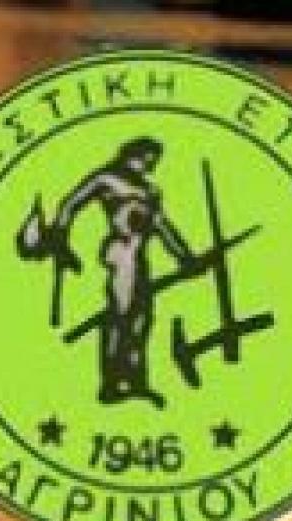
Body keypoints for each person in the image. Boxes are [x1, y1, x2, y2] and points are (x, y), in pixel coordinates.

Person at [47, 137, 193, 409]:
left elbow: (162, 227)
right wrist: (60, 238)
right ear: (132, 154)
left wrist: (185, 256)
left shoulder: (151, 190)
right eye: (147, 158)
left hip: (140, 257)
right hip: (121, 253)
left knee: (142, 320)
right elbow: (69, 205)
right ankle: (111, 384)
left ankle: (137, 382)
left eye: (154, 160)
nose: (151, 164)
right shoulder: (106, 179)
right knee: (121, 316)